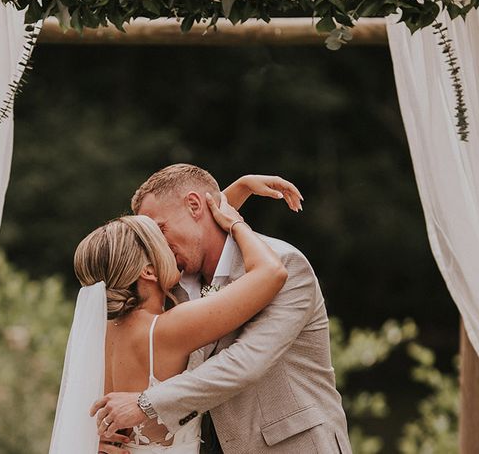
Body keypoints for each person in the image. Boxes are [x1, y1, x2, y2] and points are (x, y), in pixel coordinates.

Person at [92, 164, 351, 454]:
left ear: (194, 204)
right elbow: (204, 222)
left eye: (160, 229)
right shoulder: (176, 278)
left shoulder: (287, 264)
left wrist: (146, 404)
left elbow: (245, 360)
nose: (158, 245)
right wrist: (101, 435)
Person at [52, 185, 287, 454]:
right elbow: (271, 272)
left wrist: (239, 187)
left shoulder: (100, 333)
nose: (173, 248)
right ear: (149, 271)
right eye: (162, 243)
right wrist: (236, 223)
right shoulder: (167, 329)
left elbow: (199, 231)